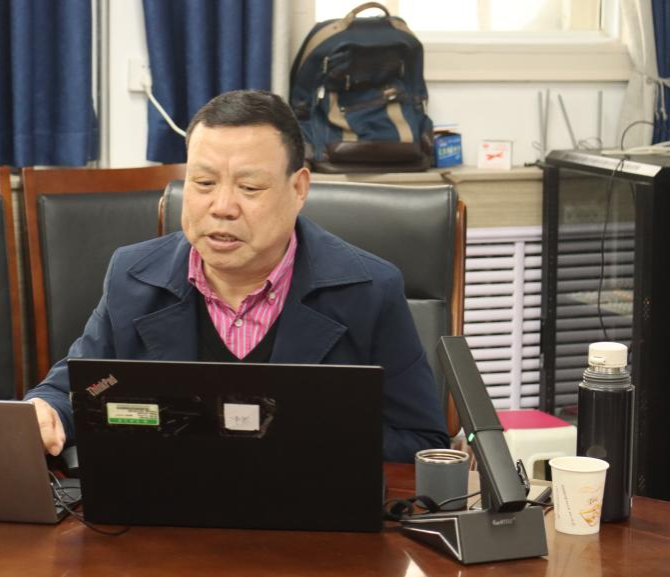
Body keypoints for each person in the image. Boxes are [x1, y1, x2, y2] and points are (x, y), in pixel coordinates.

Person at [24, 90, 449, 463]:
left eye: (250, 188)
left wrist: (302, 437)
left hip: (309, 514)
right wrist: (47, 410)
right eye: (204, 182)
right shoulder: (133, 277)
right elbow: (80, 389)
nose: (223, 207)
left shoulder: (369, 290)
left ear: (299, 188)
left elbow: (421, 441)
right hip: (167, 513)